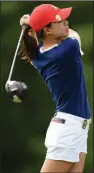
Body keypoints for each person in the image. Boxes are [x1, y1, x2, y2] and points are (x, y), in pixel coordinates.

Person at [20, 4, 91, 173]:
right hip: (68, 129)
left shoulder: (39, 56)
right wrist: (31, 24)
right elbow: (74, 35)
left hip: (75, 126)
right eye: (59, 20)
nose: (66, 23)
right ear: (47, 31)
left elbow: (38, 41)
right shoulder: (67, 49)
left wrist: (32, 26)